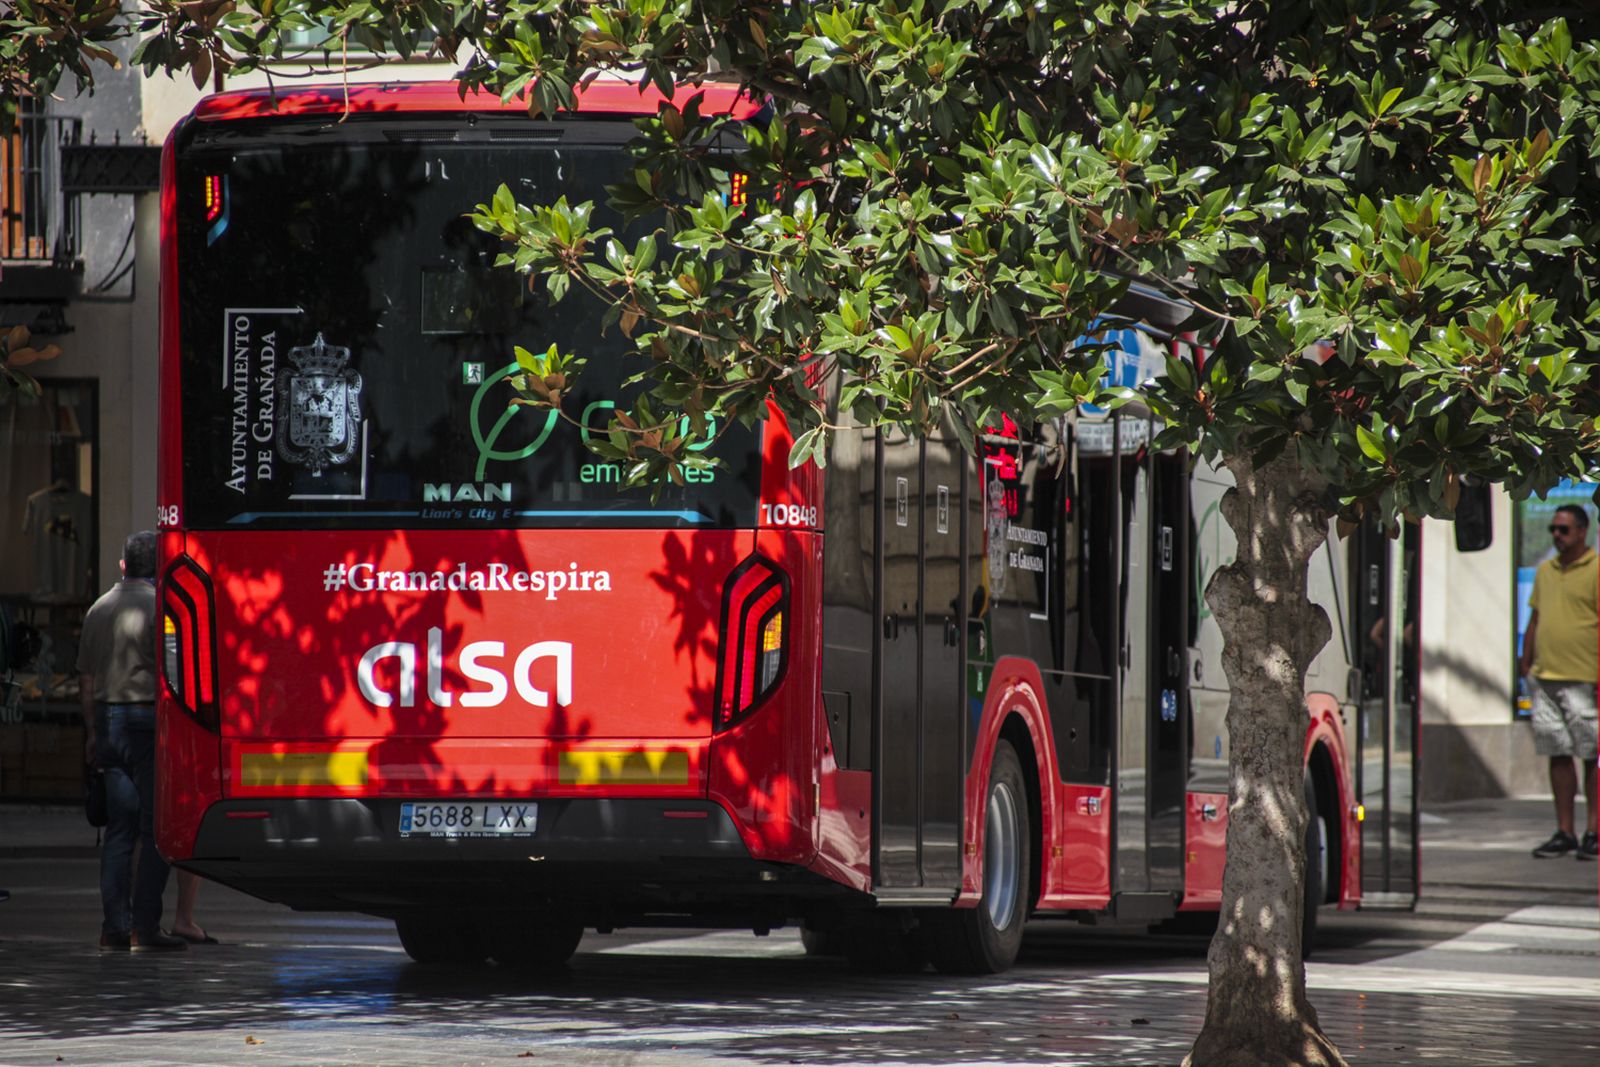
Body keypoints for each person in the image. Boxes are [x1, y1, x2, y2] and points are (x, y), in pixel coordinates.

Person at [79, 531, 186, 950]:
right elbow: (174, 675)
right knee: (157, 829)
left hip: (107, 721)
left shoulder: (98, 608)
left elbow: (86, 680)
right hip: (146, 721)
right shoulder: (162, 608)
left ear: (124, 565)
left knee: (119, 832)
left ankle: (114, 927)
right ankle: (145, 925)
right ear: (159, 567)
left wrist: (91, 733)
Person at [1518, 504, 1600, 861]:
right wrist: (1526, 661)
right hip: (1546, 677)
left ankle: (1594, 831)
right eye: (1553, 529)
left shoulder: (1597, 569)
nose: (1556, 535)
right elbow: (1535, 617)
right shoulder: (1545, 570)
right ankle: (1564, 831)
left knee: (1591, 756)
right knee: (1558, 754)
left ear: (1582, 531)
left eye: (1563, 529)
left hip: (1585, 678)